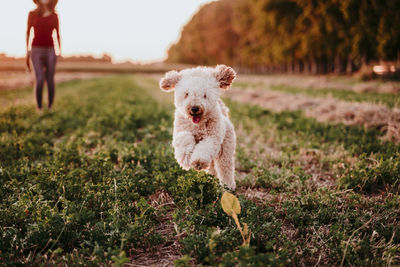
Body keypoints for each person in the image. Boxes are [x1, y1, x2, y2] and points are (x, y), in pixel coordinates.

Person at [26, 0, 61, 111]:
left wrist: (59, 51)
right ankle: (39, 107)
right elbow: (28, 32)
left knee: (50, 80)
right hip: (36, 49)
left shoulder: (54, 15)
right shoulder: (32, 14)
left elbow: (58, 34)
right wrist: (27, 51)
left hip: (51, 49)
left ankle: (50, 106)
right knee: (40, 79)